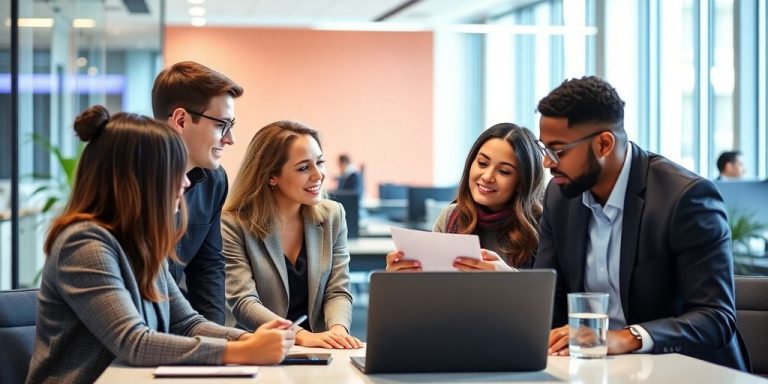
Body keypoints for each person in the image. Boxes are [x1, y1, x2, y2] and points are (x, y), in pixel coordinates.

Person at [26, 106, 294, 384]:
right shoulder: (83, 244)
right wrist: (240, 351)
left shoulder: (141, 243)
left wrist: (253, 339)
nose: (185, 182)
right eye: (176, 170)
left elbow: (187, 324)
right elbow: (135, 343)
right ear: (139, 179)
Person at [534, 76, 747, 370]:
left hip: (685, 369)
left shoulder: (684, 198)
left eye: (558, 150)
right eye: (543, 149)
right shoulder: (560, 196)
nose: (547, 162)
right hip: (593, 368)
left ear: (604, 144)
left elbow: (715, 318)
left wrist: (627, 337)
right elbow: (551, 296)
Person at [222, 120, 363, 349]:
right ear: (271, 176)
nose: (318, 175)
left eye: (320, 162)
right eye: (303, 168)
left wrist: (337, 330)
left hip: (317, 350)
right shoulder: (234, 224)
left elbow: (337, 290)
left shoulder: (333, 215)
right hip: (256, 348)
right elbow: (243, 301)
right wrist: (299, 335)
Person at [151, 61, 243, 324]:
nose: (230, 138)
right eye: (221, 125)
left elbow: (207, 268)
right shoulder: (133, 183)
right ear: (181, 120)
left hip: (171, 325)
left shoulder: (214, 180)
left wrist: (218, 342)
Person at [386, 123, 545, 271]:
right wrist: (403, 278)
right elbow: (432, 290)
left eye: (504, 171)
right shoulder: (451, 217)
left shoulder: (542, 225)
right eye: (482, 163)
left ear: (522, 182)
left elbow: (550, 295)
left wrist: (508, 278)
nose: (487, 176)